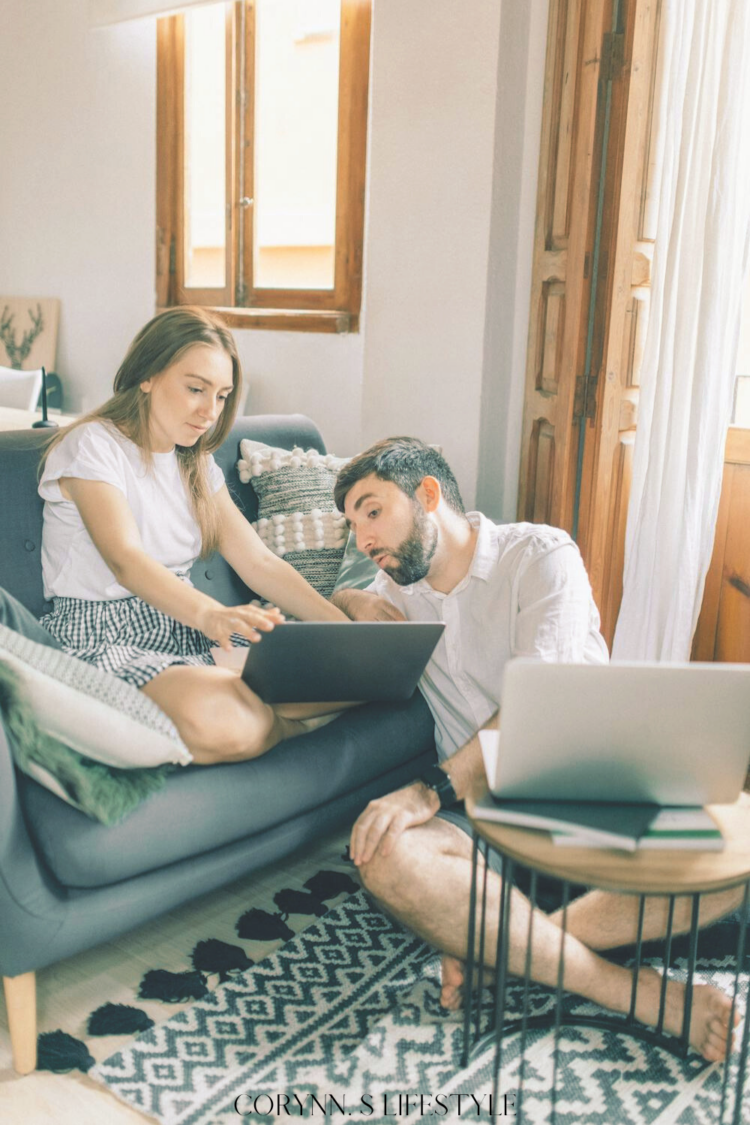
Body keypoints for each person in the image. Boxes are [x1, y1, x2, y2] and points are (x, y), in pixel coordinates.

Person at [331, 436, 743, 1063]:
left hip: (582, 795)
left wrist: (428, 792)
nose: (362, 538)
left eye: (371, 511)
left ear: (428, 494)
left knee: (727, 861)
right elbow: (337, 600)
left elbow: (531, 705)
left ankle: (510, 952)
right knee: (383, 855)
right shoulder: (394, 593)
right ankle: (634, 992)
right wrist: (352, 597)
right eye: (352, 524)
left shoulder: (541, 555)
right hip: (481, 823)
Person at [36, 306, 347, 765]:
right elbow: (126, 558)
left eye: (222, 396)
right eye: (195, 389)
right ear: (147, 375)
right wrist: (210, 615)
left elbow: (258, 562)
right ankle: (282, 721)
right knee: (226, 716)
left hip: (185, 625)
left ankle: (264, 718)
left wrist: (343, 631)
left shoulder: (194, 461)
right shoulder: (92, 445)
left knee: (354, 676)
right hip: (102, 632)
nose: (209, 412)